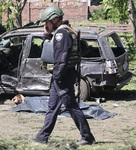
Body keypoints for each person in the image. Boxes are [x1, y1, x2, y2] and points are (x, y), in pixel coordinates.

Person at [29, 5, 95, 145]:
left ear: (54, 19)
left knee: (71, 106)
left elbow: (61, 58)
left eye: (47, 22)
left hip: (62, 76)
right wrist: (46, 35)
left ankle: (87, 137)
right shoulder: (61, 31)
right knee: (52, 107)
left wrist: (58, 77)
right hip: (61, 76)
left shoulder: (61, 34)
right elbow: (50, 48)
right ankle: (42, 136)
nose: (45, 25)